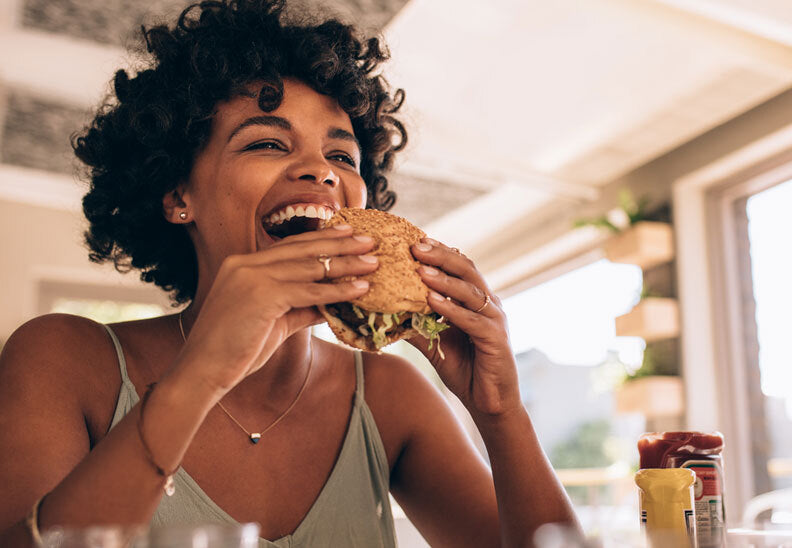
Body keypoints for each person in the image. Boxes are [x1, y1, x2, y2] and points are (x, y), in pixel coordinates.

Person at [0, 0, 580, 546]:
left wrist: (501, 413)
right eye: (268, 143)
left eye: (342, 156)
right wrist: (199, 378)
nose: (320, 172)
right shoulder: (63, 359)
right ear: (178, 195)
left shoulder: (388, 395)